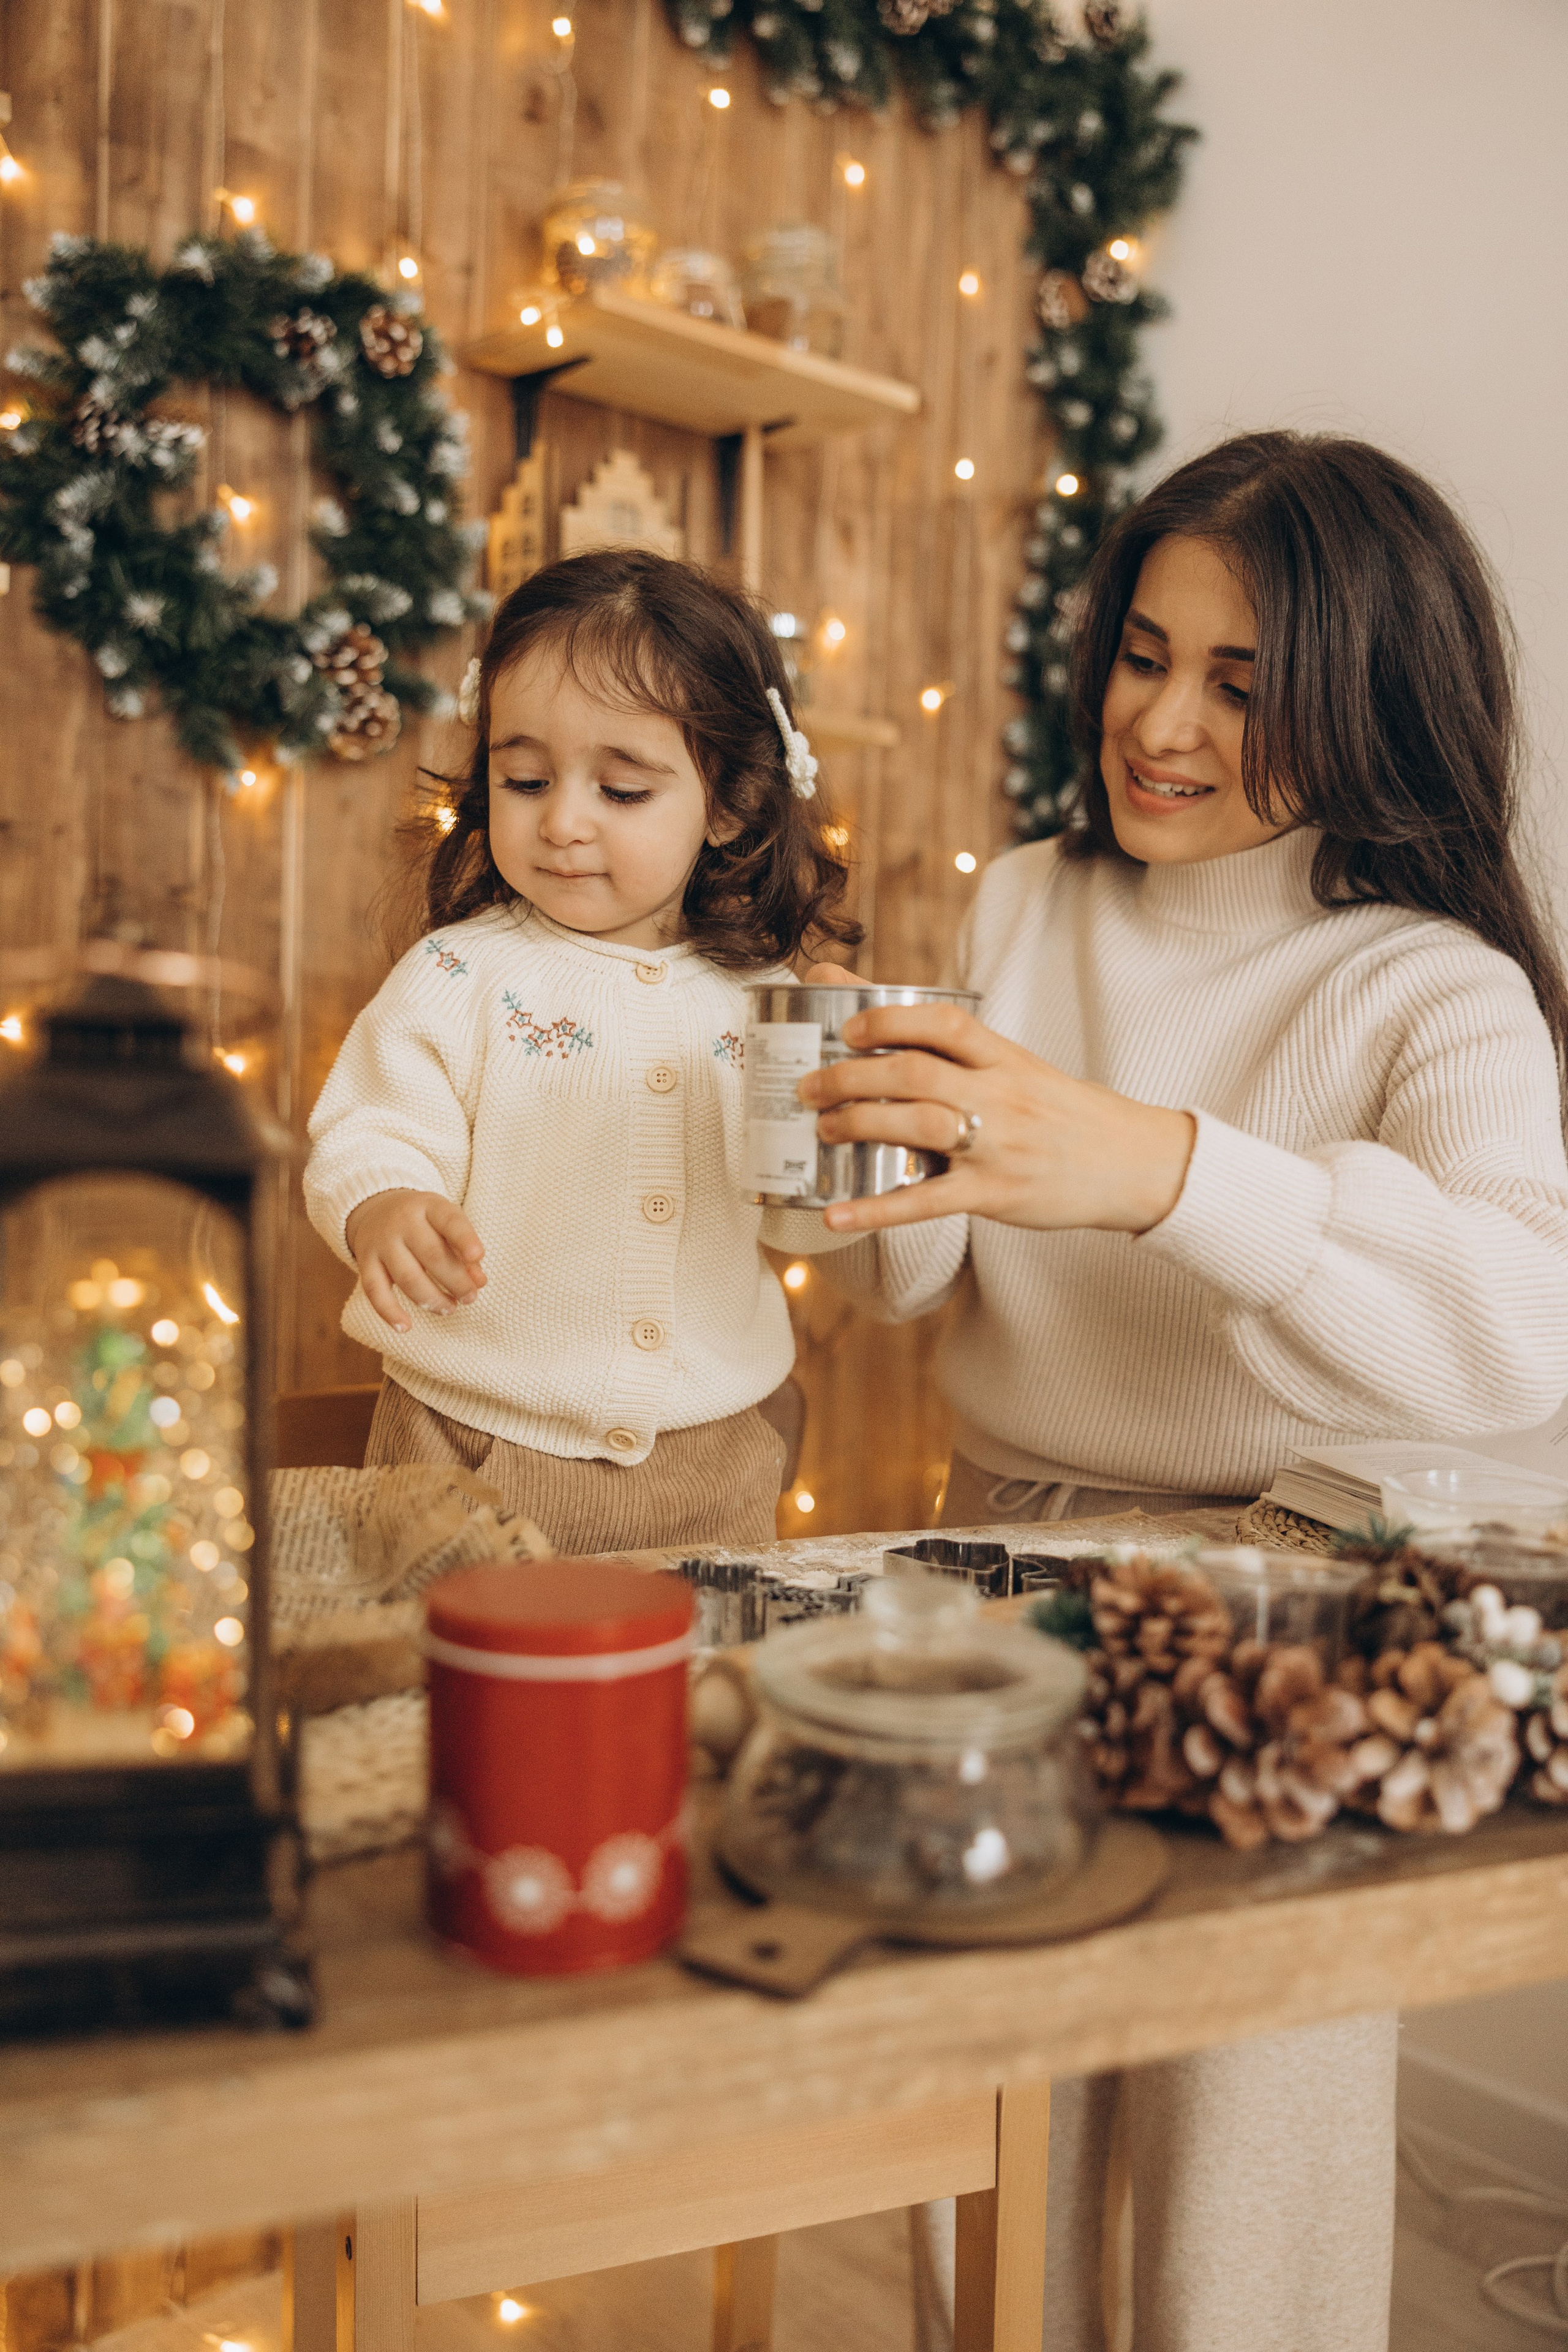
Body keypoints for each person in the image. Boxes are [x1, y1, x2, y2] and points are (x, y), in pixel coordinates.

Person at [804, 431, 1568, 2351]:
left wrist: (1164, 1170)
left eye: (1241, 685)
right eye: (1144, 653)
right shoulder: (1022, 901)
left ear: (1366, 705)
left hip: (1295, 1623)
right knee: (1002, 2150)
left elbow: (1520, 1334)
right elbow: (933, 1272)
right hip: (996, 1575)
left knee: (1248, 2208)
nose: (1160, 722)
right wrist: (856, 1165)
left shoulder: (1431, 988)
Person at [303, 548, 859, 1554]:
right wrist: (383, 1204)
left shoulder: (765, 1006)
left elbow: (808, 1231)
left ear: (729, 802)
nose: (562, 821)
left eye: (624, 791)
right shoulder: (458, 976)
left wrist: (842, 1123)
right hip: (463, 1442)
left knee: (694, 1694)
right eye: (525, 778)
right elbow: (369, 1129)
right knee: (450, 1691)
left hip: (714, 1453)